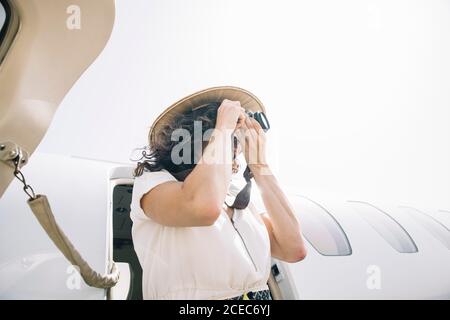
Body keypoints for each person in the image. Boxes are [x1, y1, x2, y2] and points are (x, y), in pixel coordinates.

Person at [130, 86, 307, 300]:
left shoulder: (237, 201)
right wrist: (223, 127)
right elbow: (203, 207)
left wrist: (260, 165)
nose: (233, 143)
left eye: (234, 139)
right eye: (212, 128)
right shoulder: (152, 182)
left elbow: (293, 248)